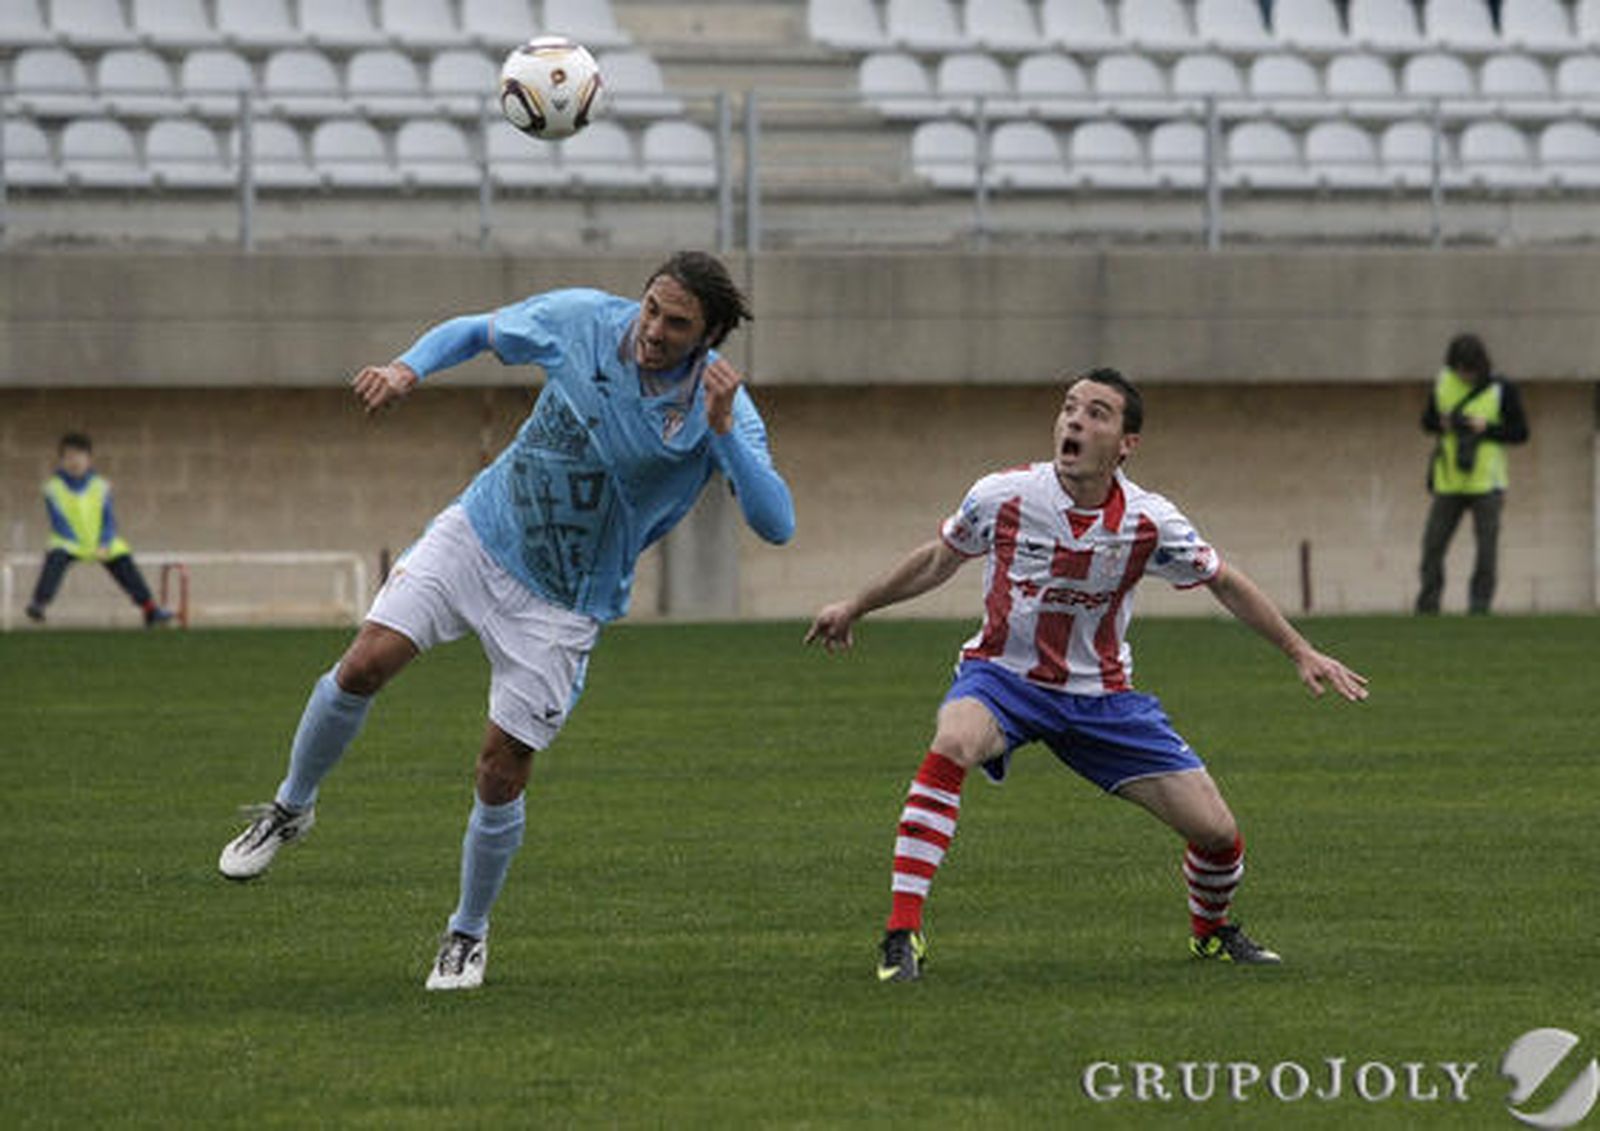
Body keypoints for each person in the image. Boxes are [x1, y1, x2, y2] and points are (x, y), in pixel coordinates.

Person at [218, 251, 795, 991]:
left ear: (709, 334)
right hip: (482, 532)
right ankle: (290, 808)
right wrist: (406, 370)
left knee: (500, 768)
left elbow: (776, 523)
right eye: (651, 307)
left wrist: (718, 430)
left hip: (563, 600)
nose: (651, 329)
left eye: (675, 322)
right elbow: (478, 330)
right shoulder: (585, 319)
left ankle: (467, 933)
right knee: (364, 662)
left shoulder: (723, 408)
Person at [805, 368, 1368, 983]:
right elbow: (939, 558)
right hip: (1004, 679)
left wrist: (1299, 650)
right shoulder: (1003, 494)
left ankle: (1211, 933)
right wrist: (856, 604)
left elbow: (1224, 581)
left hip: (1101, 699)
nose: (1074, 420)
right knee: (954, 740)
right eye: (1069, 408)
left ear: (1126, 443)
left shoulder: (1150, 521)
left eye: (1097, 413)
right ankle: (901, 933)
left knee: (1218, 834)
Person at [1415, 332, 1529, 615]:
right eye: (1460, 370)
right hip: (1449, 482)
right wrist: (1444, 424)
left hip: (1487, 484)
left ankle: (1479, 607)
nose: (1465, 376)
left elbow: (1520, 432)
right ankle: (1428, 605)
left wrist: (1486, 428)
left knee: (1486, 551)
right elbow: (1427, 422)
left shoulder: (1501, 388)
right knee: (1432, 546)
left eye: (1470, 371)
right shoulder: (1443, 382)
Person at [26, 432, 174, 628]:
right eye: (69, 457)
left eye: (80, 456)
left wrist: (104, 542)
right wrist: (77, 544)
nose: (75, 462)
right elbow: (58, 520)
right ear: (61, 460)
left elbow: (108, 518)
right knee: (54, 560)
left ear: (89, 459)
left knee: (125, 562)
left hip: (101, 541)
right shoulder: (53, 487)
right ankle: (39, 604)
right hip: (69, 541)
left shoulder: (101, 485)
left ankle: (149, 608)